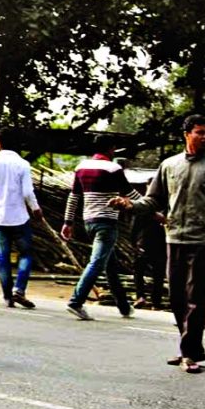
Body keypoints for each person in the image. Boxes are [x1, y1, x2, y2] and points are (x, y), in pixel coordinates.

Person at [108, 115, 205, 374]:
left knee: (196, 298)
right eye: (200, 132)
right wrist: (131, 205)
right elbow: (153, 201)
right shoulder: (169, 165)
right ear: (187, 134)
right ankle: (189, 347)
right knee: (176, 297)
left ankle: (189, 353)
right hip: (174, 237)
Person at [60, 135, 139, 320]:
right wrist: (151, 208)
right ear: (111, 149)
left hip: (89, 222)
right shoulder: (113, 168)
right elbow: (131, 193)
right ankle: (76, 301)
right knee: (97, 263)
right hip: (107, 222)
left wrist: (67, 222)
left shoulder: (81, 167)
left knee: (110, 265)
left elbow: (74, 197)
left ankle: (124, 307)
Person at [0, 127, 43, 309]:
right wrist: (36, 209)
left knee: (3, 257)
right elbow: (27, 192)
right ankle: (19, 289)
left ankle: (7, 296)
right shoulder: (23, 164)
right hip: (20, 218)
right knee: (26, 254)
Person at [130, 179, 167, 310]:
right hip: (144, 243)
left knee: (158, 273)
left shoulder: (167, 206)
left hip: (160, 244)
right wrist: (134, 243)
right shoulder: (143, 206)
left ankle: (155, 301)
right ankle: (142, 297)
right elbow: (134, 227)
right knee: (139, 271)